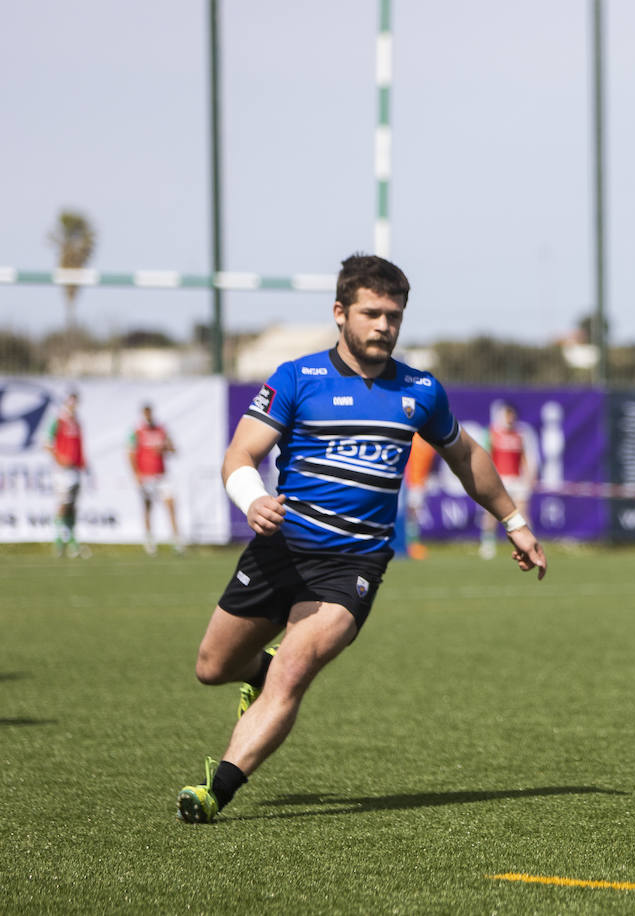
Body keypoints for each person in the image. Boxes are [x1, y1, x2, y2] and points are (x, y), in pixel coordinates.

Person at [175, 254, 548, 824]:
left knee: (294, 669)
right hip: (280, 548)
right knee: (213, 666)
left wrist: (514, 523)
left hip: (353, 564)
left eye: (394, 316)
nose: (384, 326)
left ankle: (216, 790)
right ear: (340, 313)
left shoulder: (420, 390)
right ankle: (257, 673)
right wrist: (252, 499)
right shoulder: (297, 378)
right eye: (372, 313)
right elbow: (239, 454)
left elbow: (466, 455)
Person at [478, 400, 535, 559]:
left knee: (523, 514)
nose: (510, 419)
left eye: (512, 416)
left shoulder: (520, 435)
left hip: (516, 480)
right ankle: (487, 544)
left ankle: (529, 545)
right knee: (492, 513)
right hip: (499, 480)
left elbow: (524, 458)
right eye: (507, 415)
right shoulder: (492, 433)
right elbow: (486, 456)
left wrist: (528, 477)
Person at [130, 403, 183, 555]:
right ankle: (149, 541)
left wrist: (165, 448)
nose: (148, 416)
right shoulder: (137, 431)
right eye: (146, 413)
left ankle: (177, 541)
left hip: (162, 475)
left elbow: (173, 448)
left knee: (171, 505)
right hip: (146, 476)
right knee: (148, 507)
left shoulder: (161, 429)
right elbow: (131, 453)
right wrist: (136, 474)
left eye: (150, 413)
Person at [46, 390, 89, 559]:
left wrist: (83, 463)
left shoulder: (77, 422)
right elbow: (47, 443)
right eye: (71, 402)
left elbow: (79, 446)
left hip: (76, 470)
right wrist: (59, 459)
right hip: (62, 471)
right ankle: (59, 539)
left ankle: (72, 540)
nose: (73, 406)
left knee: (73, 506)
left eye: (75, 403)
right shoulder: (58, 420)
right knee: (63, 504)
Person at [402, 433, 438, 559]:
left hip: (419, 483)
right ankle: (409, 544)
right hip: (408, 482)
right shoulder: (413, 438)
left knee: (413, 514)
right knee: (410, 514)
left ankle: (412, 544)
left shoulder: (428, 442)